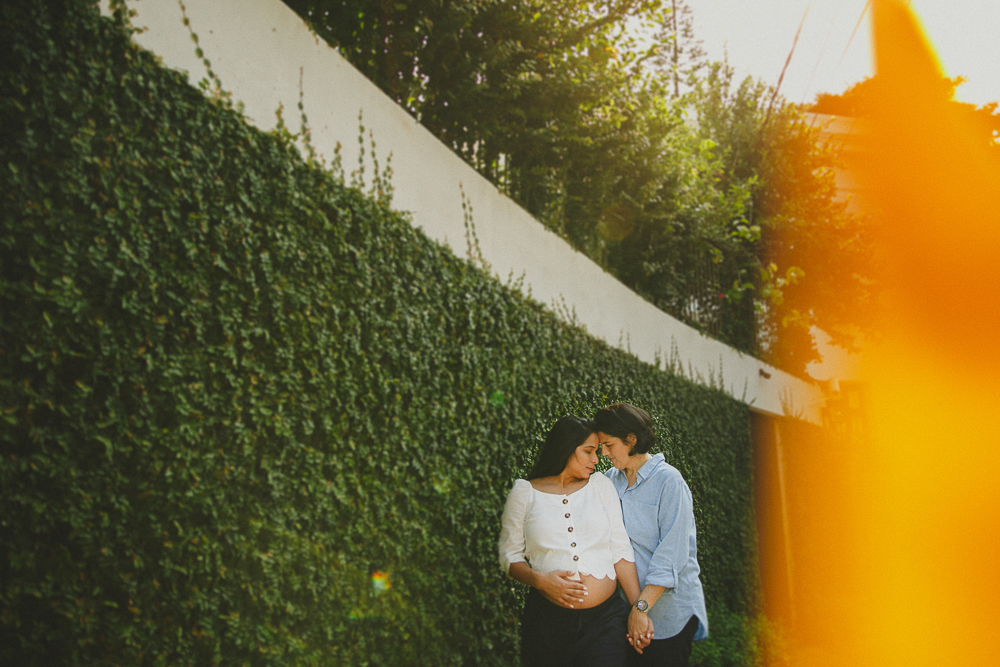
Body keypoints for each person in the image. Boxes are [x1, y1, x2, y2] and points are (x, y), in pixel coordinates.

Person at [498, 416, 651, 667]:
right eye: (588, 451)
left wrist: (639, 610)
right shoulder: (523, 493)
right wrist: (539, 581)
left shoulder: (600, 486)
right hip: (547, 624)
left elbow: (621, 551)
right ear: (566, 448)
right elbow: (509, 556)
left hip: (605, 622)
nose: (596, 459)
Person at [596, 403, 708, 666]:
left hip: (669, 615)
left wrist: (641, 608)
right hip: (627, 613)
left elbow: (671, 555)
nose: (603, 453)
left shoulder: (669, 482)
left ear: (631, 440)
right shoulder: (609, 481)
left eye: (609, 445)